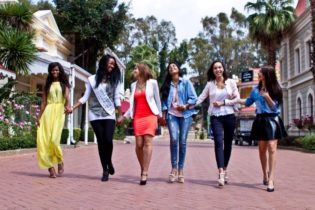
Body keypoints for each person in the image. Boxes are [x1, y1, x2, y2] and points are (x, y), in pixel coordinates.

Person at [72, 54, 122, 182]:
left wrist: (120, 114)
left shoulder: (114, 80)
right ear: (104, 63)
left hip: (109, 113)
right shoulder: (92, 79)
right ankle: (105, 170)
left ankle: (109, 161)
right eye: (110, 63)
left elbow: (116, 98)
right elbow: (85, 97)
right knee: (101, 141)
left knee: (108, 140)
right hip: (94, 114)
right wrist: (73, 107)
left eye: (113, 64)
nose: (112, 66)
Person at [238, 66, 287, 192]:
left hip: (272, 120)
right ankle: (264, 174)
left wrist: (266, 96)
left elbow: (274, 108)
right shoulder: (255, 90)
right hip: (260, 120)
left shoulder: (276, 89)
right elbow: (248, 102)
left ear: (267, 75)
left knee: (272, 146)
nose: (259, 74)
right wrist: (231, 100)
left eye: (261, 73)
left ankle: (271, 179)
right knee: (261, 149)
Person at [195, 60, 240, 187]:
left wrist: (224, 102)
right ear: (213, 71)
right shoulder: (210, 85)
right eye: (215, 68)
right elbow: (200, 98)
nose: (218, 70)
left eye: (220, 67)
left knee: (228, 145)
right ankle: (221, 172)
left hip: (230, 115)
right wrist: (189, 105)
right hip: (216, 117)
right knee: (218, 143)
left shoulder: (231, 82)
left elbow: (237, 98)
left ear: (223, 69)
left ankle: (225, 169)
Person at [117, 63, 162, 185]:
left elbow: (157, 101)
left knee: (147, 142)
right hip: (138, 117)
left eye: (136, 69)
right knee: (138, 145)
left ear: (142, 70)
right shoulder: (133, 85)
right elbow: (132, 104)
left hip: (150, 116)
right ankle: (143, 166)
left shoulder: (152, 83)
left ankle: (145, 172)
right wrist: (124, 116)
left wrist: (160, 117)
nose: (134, 71)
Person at [160, 62, 197, 183]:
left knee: (182, 141)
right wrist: (164, 116)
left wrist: (185, 106)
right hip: (172, 115)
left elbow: (194, 98)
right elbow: (164, 102)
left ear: (178, 69)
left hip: (186, 115)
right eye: (170, 67)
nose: (172, 68)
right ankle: (174, 168)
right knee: (174, 140)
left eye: (174, 66)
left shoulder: (186, 82)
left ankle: (181, 169)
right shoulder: (167, 85)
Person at [36, 62, 71, 178]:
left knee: (54, 140)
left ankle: (60, 161)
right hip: (47, 112)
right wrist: (39, 116)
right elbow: (43, 102)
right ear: (50, 72)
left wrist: (68, 106)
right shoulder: (47, 86)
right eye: (53, 70)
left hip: (59, 111)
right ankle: (50, 168)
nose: (55, 72)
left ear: (60, 71)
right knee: (44, 141)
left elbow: (66, 98)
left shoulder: (64, 85)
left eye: (57, 70)